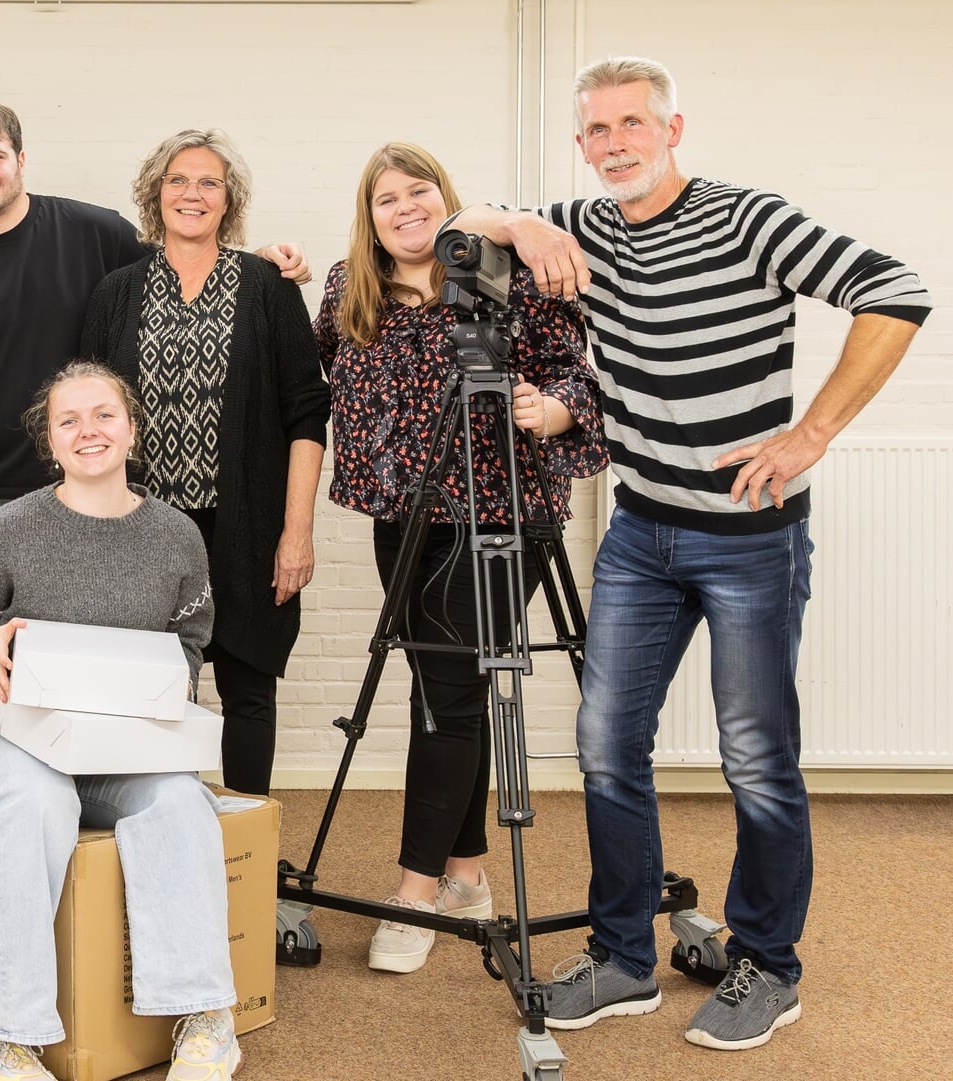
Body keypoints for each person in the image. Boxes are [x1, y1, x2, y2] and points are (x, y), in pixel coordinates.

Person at [450, 56, 930, 1049]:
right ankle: (625, 957)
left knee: (755, 757)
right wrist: (522, 224)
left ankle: (770, 965)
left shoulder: (748, 218)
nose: (615, 143)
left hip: (751, 538)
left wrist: (813, 434)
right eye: (597, 129)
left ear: (673, 129)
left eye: (634, 123)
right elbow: (458, 228)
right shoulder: (580, 227)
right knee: (605, 744)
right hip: (640, 535)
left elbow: (898, 289)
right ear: (581, 144)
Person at [0, 99, 308, 906]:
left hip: (136, 502)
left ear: (21, 158)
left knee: (168, 676)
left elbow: (196, 262)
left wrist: (271, 259)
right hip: (8, 498)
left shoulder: (96, 233)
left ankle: (196, 852)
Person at [314, 142, 608, 974]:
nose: (404, 208)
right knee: (448, 690)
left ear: (447, 200)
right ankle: (468, 874)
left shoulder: (507, 274)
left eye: (419, 192)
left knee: (446, 695)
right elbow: (319, 371)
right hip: (402, 520)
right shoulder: (347, 289)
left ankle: (413, 895)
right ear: (368, 218)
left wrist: (550, 411)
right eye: (386, 199)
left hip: (500, 517)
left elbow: (578, 379)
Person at [0, 362, 239, 1081]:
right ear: (50, 441)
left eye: (104, 415)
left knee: (180, 801)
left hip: (124, 745)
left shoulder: (177, 536)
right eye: (68, 420)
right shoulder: (8, 527)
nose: (88, 431)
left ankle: (205, 1017)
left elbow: (191, 639)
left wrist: (160, 685)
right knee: (35, 800)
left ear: (132, 430)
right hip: (11, 737)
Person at [81, 129, 328, 802]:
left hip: (246, 528)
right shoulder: (117, 293)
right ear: (155, 194)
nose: (192, 193)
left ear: (229, 199)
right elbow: (88, 419)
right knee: (154, 696)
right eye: (178, 180)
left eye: (208, 182)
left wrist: (296, 531)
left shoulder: (269, 287)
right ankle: (162, 831)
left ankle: (249, 842)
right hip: (142, 533)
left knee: (248, 691)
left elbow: (308, 414)